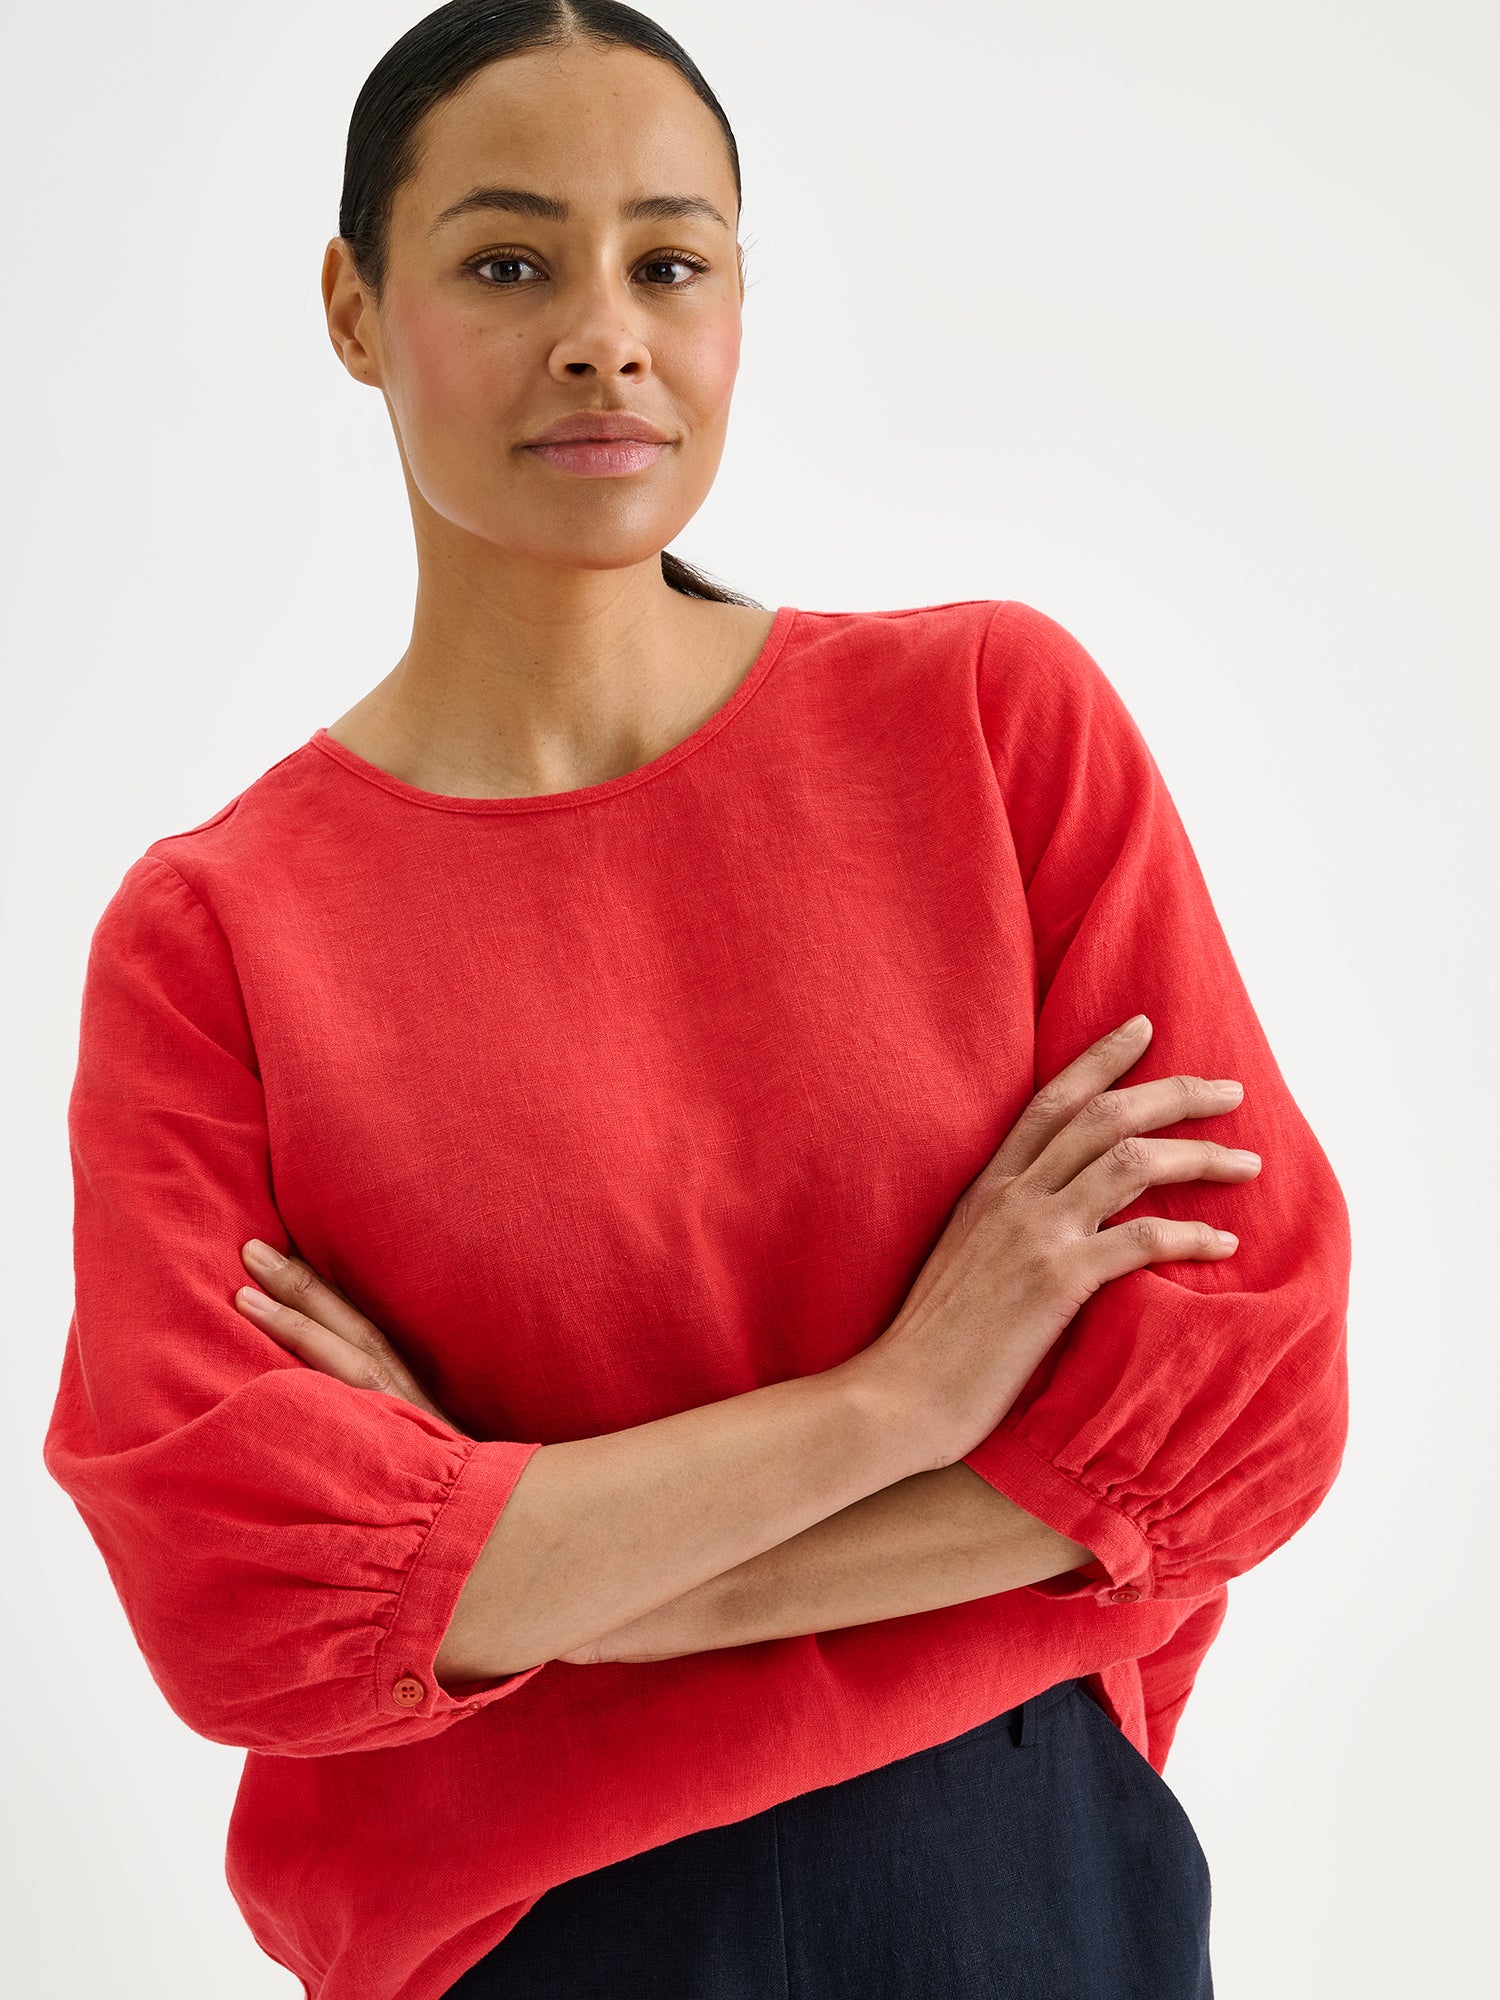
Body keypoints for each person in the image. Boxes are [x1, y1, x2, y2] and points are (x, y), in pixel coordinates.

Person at [42, 4, 1351, 1996]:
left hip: (1012, 1866)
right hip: (529, 1941)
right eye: (505, 262)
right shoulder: (215, 932)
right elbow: (249, 1597)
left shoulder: (994, 731)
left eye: (667, 261)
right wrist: (905, 1400)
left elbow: (1240, 1409)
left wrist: (541, 1566)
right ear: (352, 305)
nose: (605, 334)